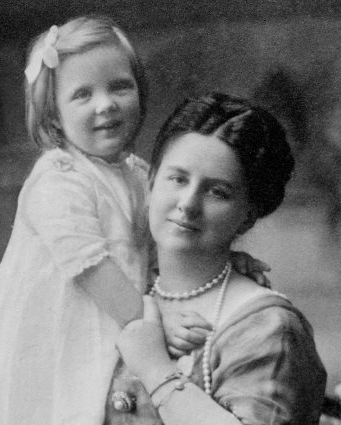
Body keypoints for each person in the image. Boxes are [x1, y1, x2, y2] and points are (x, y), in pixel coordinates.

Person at [0, 17, 266, 425]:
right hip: (54, 347)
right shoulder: (58, 181)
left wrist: (223, 261)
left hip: (116, 335)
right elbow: (93, 269)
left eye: (119, 86)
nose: (106, 104)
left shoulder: (135, 174)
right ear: (55, 115)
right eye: (83, 94)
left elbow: (172, 236)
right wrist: (157, 319)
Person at [112, 92, 328, 425]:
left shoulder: (268, 329)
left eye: (217, 192)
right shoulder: (120, 291)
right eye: (178, 179)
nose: (188, 203)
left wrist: (156, 370)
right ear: (152, 182)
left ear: (248, 216)